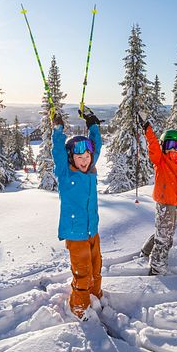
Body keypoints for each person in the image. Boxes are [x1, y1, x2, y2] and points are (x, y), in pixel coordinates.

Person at [52, 107, 103, 319]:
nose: (84, 160)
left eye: (87, 156)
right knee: (83, 274)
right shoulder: (65, 173)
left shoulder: (90, 170)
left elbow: (97, 145)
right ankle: (79, 309)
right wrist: (57, 130)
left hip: (92, 231)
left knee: (96, 268)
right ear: (71, 158)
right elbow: (57, 151)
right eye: (79, 157)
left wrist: (93, 125)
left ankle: (95, 297)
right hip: (75, 234)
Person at [138, 112, 177, 275]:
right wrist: (147, 127)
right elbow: (152, 144)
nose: (173, 149)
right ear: (164, 145)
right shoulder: (160, 159)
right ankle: (157, 266)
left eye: (176, 146)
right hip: (165, 204)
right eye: (169, 145)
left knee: (166, 232)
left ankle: (146, 250)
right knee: (165, 236)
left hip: (175, 203)